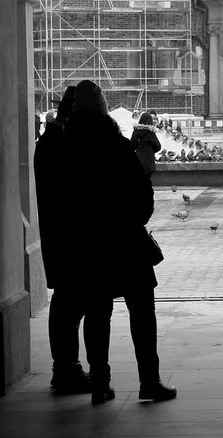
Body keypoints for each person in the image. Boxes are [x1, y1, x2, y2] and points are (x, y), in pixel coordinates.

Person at [61, 80, 176, 405]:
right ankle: (149, 382)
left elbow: (62, 202)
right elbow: (141, 196)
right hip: (125, 242)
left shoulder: (66, 149)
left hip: (88, 245)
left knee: (97, 314)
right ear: (103, 108)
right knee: (142, 311)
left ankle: (100, 384)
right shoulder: (115, 144)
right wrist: (135, 218)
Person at [34, 85, 90, 393]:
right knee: (68, 304)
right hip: (65, 237)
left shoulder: (54, 139)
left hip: (62, 236)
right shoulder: (57, 142)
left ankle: (67, 367)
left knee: (69, 302)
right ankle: (65, 368)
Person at [130, 111, 161, 184]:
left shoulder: (136, 131)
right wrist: (151, 150)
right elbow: (158, 146)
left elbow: (132, 145)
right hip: (148, 162)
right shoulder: (150, 132)